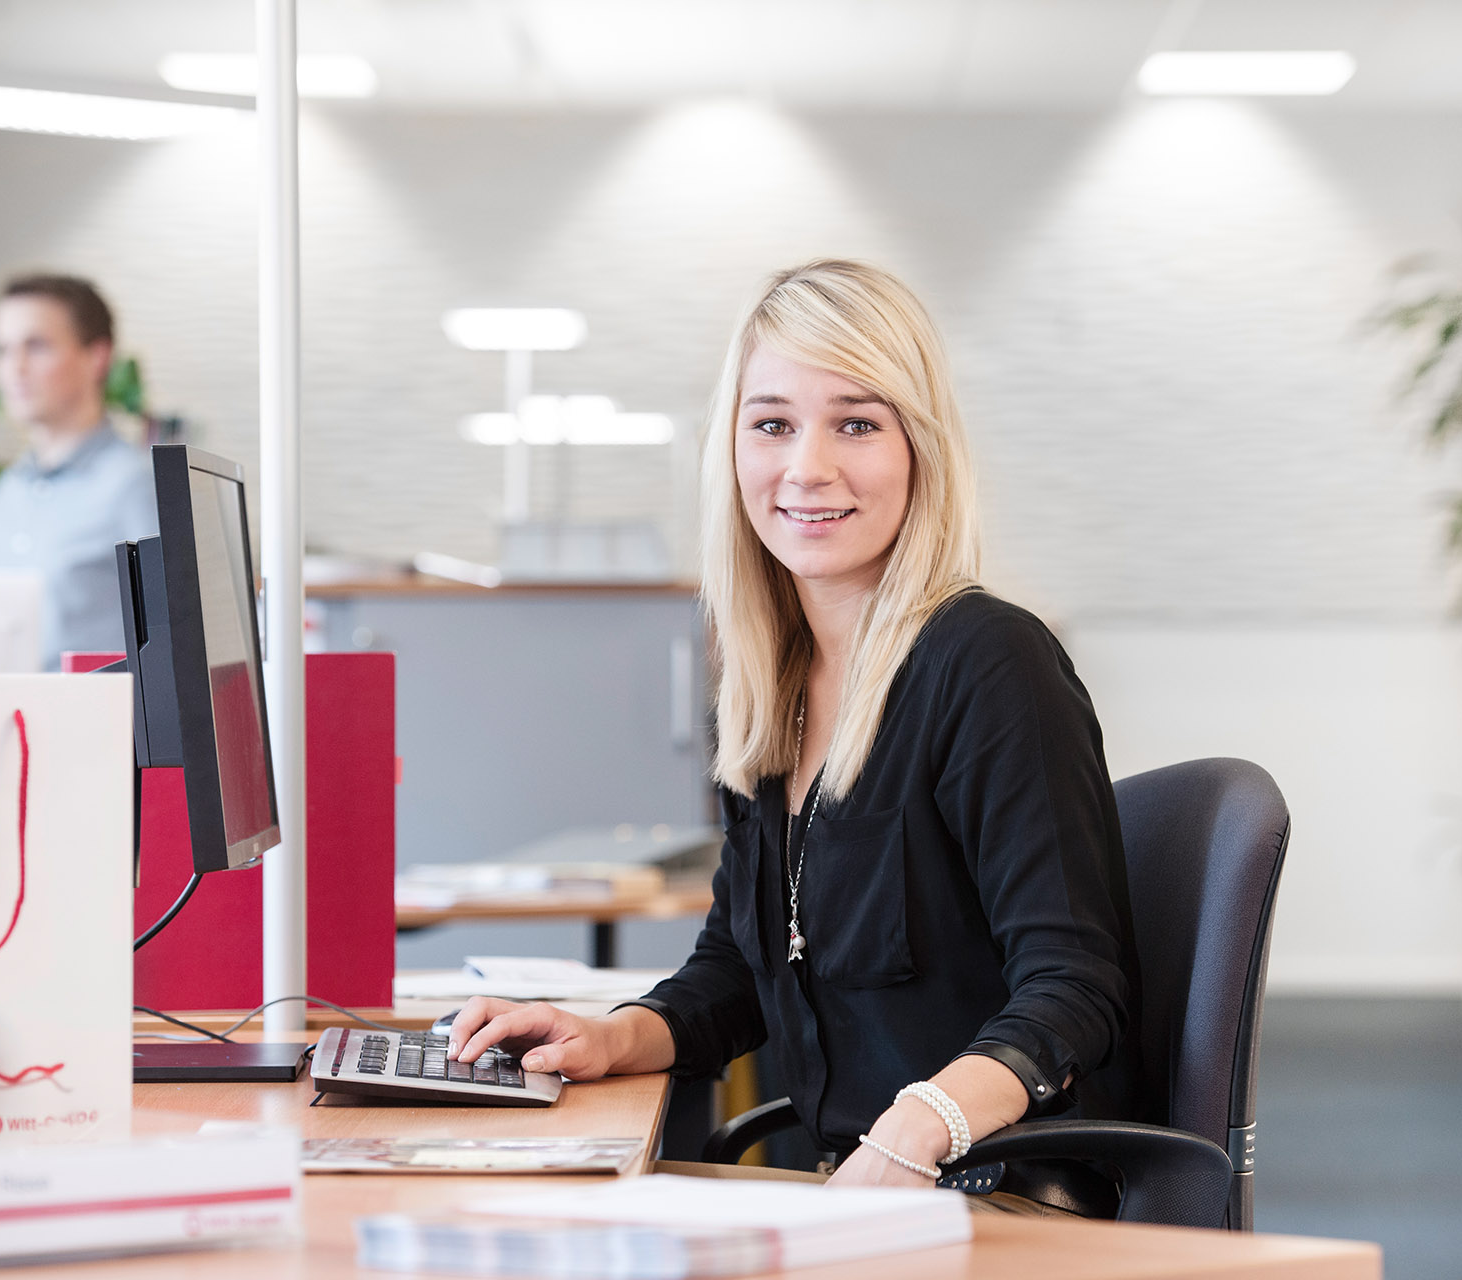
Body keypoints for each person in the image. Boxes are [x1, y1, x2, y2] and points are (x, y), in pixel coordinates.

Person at [449, 260, 1140, 1212]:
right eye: (772, 423)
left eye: (857, 422)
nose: (807, 467)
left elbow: (1075, 990)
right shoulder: (772, 682)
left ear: (920, 451)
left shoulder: (987, 663)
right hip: (862, 1195)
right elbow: (738, 967)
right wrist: (606, 1035)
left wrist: (912, 1134)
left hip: (1000, 1195)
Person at [0, 274, 157, 670]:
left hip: (96, 724)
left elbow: (172, 646)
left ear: (97, 357)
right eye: (2, 350)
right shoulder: (6, 492)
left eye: (36, 346)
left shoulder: (134, 485)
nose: (14, 368)